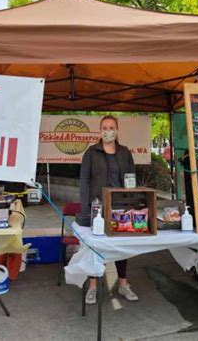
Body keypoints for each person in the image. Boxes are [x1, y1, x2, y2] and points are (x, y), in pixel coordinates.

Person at [79, 115, 138, 304]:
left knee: (121, 248)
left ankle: (123, 285)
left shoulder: (124, 152)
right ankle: (93, 286)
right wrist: (85, 205)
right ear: (100, 130)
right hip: (98, 207)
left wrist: (132, 202)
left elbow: (131, 177)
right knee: (96, 247)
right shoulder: (91, 152)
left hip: (121, 206)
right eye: (104, 127)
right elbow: (84, 180)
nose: (108, 130)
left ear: (117, 130)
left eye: (111, 127)